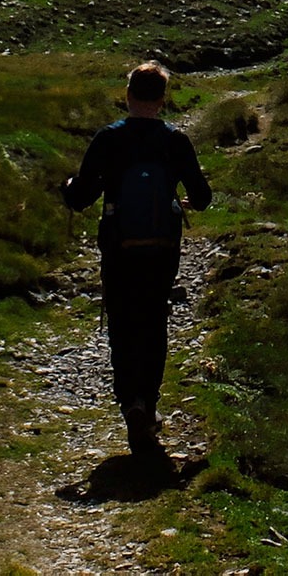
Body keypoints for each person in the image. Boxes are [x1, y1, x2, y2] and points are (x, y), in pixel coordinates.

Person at [61, 62, 212, 454]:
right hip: (162, 247)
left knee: (123, 325)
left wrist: (68, 187)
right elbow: (204, 197)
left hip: (119, 246)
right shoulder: (175, 140)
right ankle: (150, 401)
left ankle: (132, 403)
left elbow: (80, 198)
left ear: (127, 95)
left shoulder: (109, 139)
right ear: (162, 100)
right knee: (154, 321)